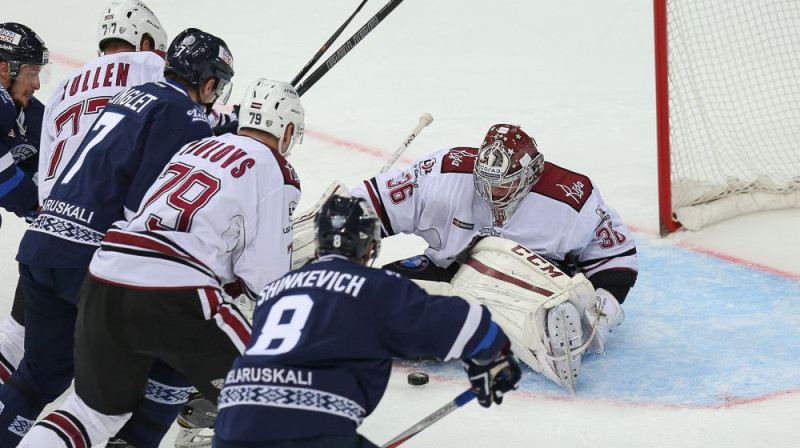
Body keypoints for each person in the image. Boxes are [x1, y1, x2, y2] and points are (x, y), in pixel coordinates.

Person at [17, 77, 305, 448]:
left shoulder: (196, 147)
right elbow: (266, 281)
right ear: (289, 129)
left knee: (92, 414)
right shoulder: (277, 171)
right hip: (174, 290)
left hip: (106, 273)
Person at [0, 27, 234, 446]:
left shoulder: (130, 96)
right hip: (89, 261)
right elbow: (146, 211)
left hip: (41, 247)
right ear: (210, 82)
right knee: (128, 389)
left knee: (39, 377)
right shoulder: (188, 117)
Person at [213, 194, 521, 448]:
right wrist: (493, 354)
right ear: (370, 247)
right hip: (310, 427)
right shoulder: (374, 286)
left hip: (232, 424)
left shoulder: (275, 290)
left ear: (319, 245)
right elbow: (459, 322)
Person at [346, 123, 638, 390]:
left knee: (542, 316)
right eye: (485, 182)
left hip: (529, 284)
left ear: (532, 173)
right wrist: (344, 233)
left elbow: (615, 255)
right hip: (450, 270)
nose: (492, 193)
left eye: (503, 183)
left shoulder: (570, 197)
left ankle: (548, 329)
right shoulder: (444, 173)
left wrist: (602, 310)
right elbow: (377, 201)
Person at [0, 22, 48, 385]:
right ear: (5, 69)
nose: (36, 83)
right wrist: (41, 208)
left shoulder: (27, 112)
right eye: (31, 72)